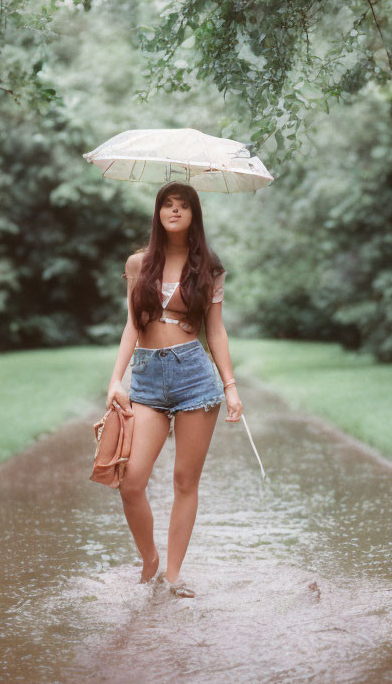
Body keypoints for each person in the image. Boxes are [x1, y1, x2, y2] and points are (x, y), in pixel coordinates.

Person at [105, 181, 243, 598]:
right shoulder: (138, 264)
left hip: (194, 379)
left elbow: (215, 331)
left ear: (193, 215)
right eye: (168, 204)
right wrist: (116, 379)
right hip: (146, 379)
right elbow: (132, 324)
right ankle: (149, 559)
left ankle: (173, 576)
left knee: (185, 481)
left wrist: (231, 387)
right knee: (131, 482)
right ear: (158, 213)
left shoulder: (209, 268)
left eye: (183, 205)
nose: (175, 211)